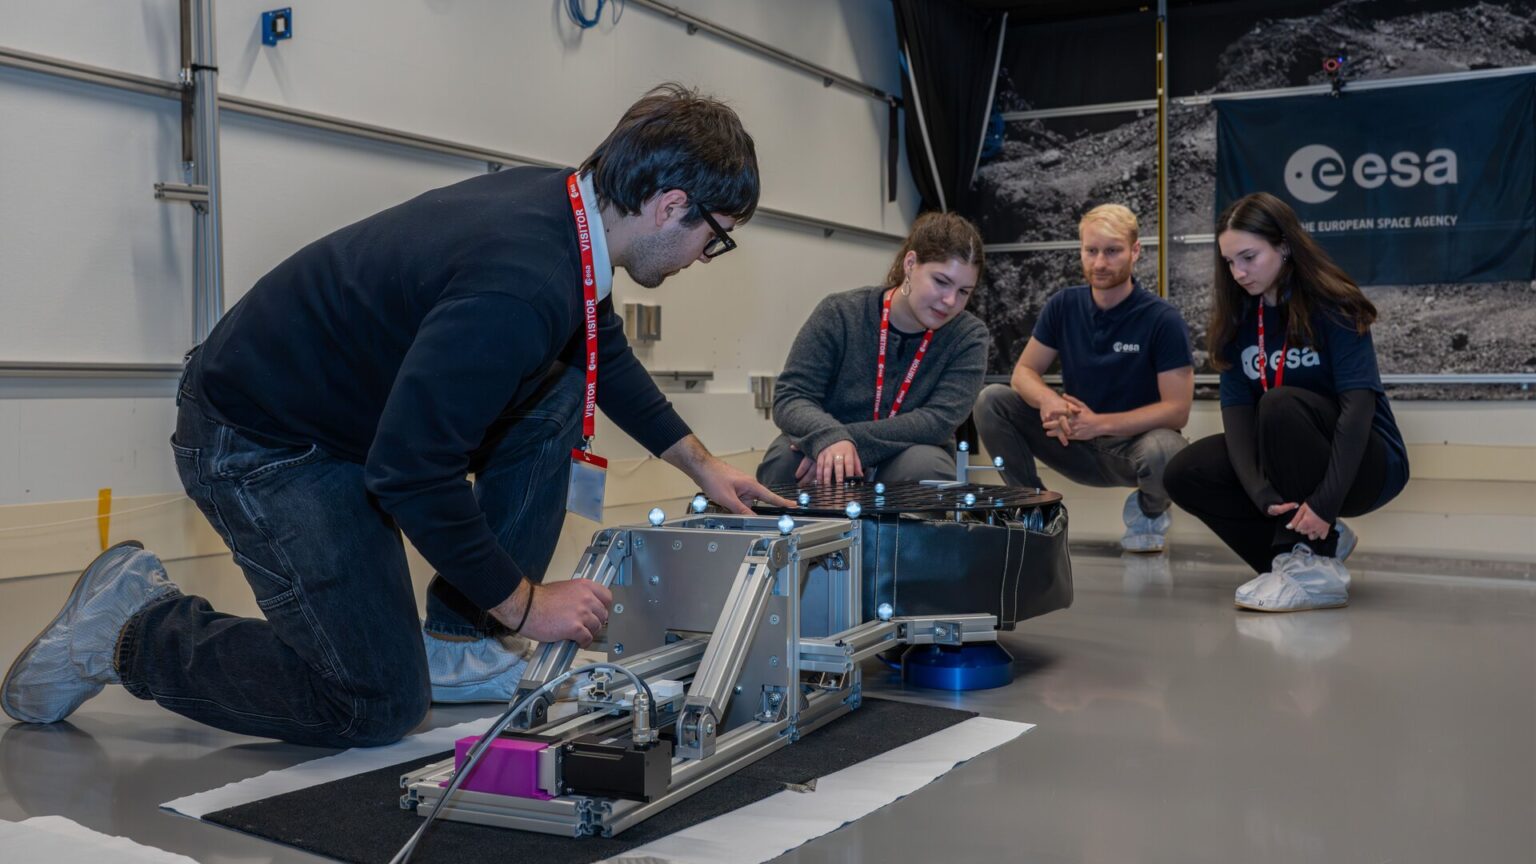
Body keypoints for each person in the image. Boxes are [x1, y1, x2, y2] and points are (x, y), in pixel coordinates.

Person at [1, 84, 789, 746]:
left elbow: (598, 345)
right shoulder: (521, 284)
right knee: (376, 703)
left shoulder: (562, 214)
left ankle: (457, 642)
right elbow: (412, 473)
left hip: (337, 419)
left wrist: (701, 464)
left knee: (556, 384)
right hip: (259, 443)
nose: (700, 262)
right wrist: (525, 602)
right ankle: (132, 630)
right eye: (713, 241)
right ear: (671, 206)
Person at [1164, 192, 1409, 612]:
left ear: (1283, 245)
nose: (1238, 272)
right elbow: (1237, 416)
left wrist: (1325, 504)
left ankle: (1314, 563)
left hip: (1366, 464)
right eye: (1229, 262)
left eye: (1248, 257)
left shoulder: (1334, 304)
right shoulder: (1239, 320)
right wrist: (1259, 491)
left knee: (1278, 405)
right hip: (1288, 451)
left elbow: (1357, 413)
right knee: (1186, 472)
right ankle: (1298, 559)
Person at [974, 204, 1194, 552]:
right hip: (1070, 440)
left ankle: (1149, 513)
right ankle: (1033, 509)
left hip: (1131, 448)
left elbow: (1177, 410)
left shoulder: (1162, 320)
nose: (1100, 263)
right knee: (992, 400)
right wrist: (1050, 401)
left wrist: (1099, 423)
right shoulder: (1063, 306)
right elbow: (1024, 372)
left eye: (1112, 251)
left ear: (1135, 251)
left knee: (1168, 451)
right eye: (1091, 251)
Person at [756, 212, 989, 487]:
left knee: (928, 469)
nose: (950, 300)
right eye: (941, 281)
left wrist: (846, 442)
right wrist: (827, 438)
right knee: (784, 461)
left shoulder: (968, 336)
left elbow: (938, 421)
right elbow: (792, 396)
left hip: (906, 453)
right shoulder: (840, 313)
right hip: (825, 442)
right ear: (911, 264)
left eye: (964, 291)